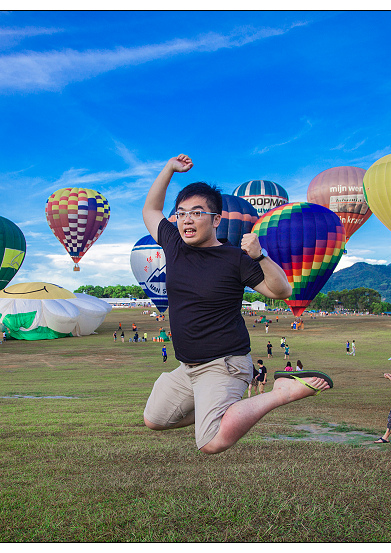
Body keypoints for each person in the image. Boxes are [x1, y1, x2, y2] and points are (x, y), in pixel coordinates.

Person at [140, 154, 330, 454]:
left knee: (211, 443)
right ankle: (216, 409)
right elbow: (151, 209)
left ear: (216, 219)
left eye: (197, 212)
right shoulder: (174, 244)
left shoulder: (235, 259)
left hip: (224, 364)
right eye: (182, 213)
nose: (187, 219)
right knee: (154, 420)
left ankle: (282, 392)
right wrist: (168, 169)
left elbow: (280, 290)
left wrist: (260, 255)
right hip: (187, 367)